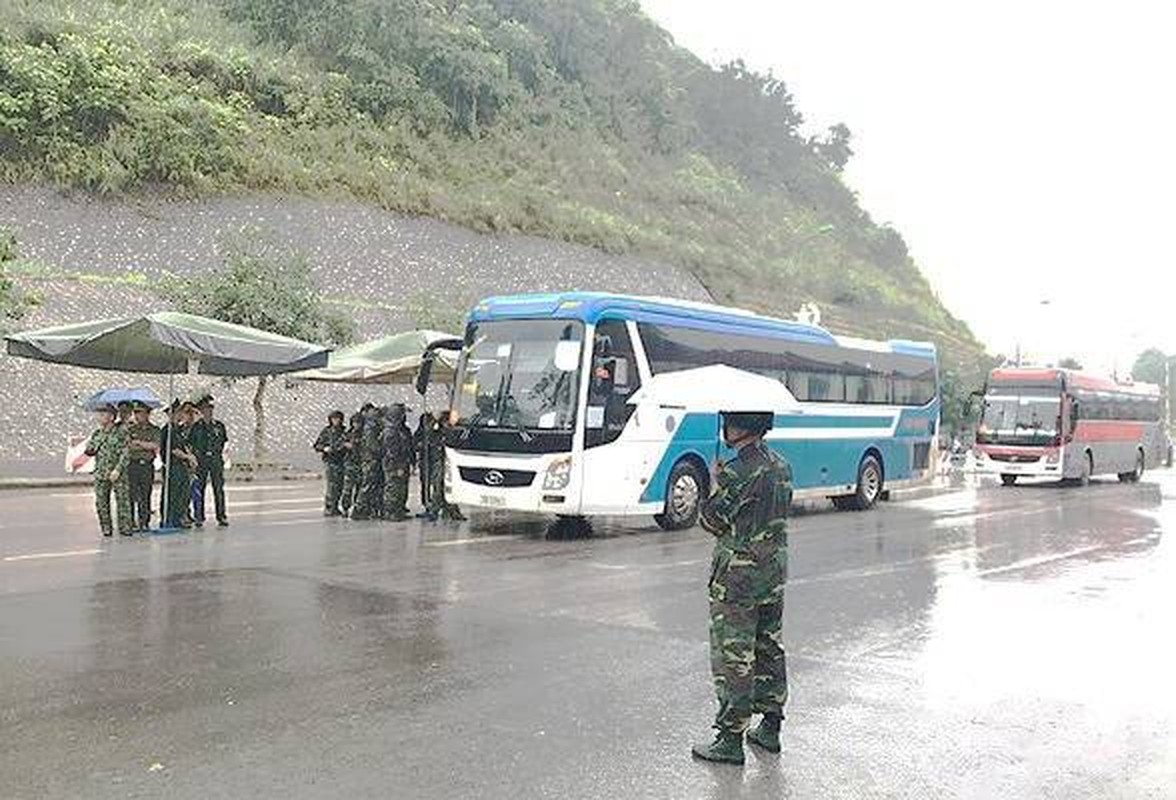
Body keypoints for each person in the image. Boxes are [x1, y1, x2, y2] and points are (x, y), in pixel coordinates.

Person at [692, 410, 793, 766]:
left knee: (733, 655)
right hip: (772, 574)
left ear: (738, 426)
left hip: (737, 578)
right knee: (768, 646)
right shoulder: (781, 465)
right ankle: (770, 727)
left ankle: (730, 740)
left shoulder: (738, 471)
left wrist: (718, 482)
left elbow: (711, 520)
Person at [85, 403, 133, 537]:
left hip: (117, 472)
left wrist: (118, 470)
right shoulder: (97, 433)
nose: (99, 417)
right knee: (101, 501)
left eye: (103, 414)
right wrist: (90, 448)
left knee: (123, 501)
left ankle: (125, 527)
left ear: (112, 417)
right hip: (101, 472)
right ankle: (106, 527)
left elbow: (125, 453)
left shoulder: (121, 431)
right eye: (98, 414)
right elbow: (90, 450)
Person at [190, 395, 229, 528]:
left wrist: (220, 455)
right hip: (201, 460)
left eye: (211, 408)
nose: (209, 411)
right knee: (199, 489)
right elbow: (191, 443)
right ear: (201, 410)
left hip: (215, 459)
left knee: (218, 488)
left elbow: (224, 442)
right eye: (206, 408)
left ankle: (221, 516)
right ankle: (199, 517)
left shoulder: (219, 426)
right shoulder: (196, 427)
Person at [159, 400, 198, 529]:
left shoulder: (178, 430)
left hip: (181, 466)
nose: (179, 415)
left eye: (179, 413)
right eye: (176, 413)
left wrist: (190, 457)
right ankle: (168, 518)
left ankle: (178, 518)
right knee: (172, 494)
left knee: (183, 493)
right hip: (173, 466)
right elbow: (174, 450)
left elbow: (184, 445)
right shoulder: (168, 430)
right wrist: (187, 457)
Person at [124, 400, 160, 532]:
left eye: (140, 412)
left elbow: (155, 446)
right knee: (131, 495)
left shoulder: (154, 429)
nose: (137, 415)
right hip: (132, 465)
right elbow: (129, 446)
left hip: (147, 466)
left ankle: (144, 522)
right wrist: (145, 445)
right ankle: (131, 522)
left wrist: (138, 442)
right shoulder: (130, 429)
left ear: (148, 414)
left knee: (145, 494)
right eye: (135, 413)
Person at [424, 413, 465, 522]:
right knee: (438, 487)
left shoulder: (453, 432)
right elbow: (429, 438)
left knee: (449, 489)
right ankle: (434, 511)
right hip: (440, 462)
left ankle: (451, 511)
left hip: (449, 463)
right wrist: (434, 425)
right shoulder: (437, 432)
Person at [381, 404, 415, 521]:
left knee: (401, 488)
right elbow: (392, 452)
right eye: (402, 415)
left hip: (403, 463)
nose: (403, 417)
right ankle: (390, 512)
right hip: (393, 465)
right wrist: (398, 467)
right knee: (393, 488)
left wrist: (411, 462)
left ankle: (399, 510)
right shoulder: (390, 432)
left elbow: (408, 447)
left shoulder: (401, 430)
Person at [351, 403, 384, 520]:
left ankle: (370, 510)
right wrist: (383, 450)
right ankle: (358, 509)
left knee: (373, 486)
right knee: (367, 486)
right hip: (370, 460)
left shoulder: (372, 427)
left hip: (372, 460)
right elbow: (373, 446)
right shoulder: (370, 429)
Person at [314, 410, 347, 516]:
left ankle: (336, 506)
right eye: (333, 419)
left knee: (340, 486)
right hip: (330, 462)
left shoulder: (344, 431)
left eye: (338, 418)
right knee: (331, 486)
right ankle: (329, 508)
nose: (336, 421)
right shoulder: (326, 431)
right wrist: (324, 448)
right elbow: (317, 445)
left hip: (342, 461)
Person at [340, 411, 364, 518]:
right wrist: (345, 445)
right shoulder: (347, 434)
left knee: (359, 489)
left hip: (361, 465)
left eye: (358, 422)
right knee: (347, 489)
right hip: (350, 465)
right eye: (354, 422)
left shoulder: (365, 435)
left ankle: (357, 508)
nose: (356, 424)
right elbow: (338, 445)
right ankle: (345, 508)